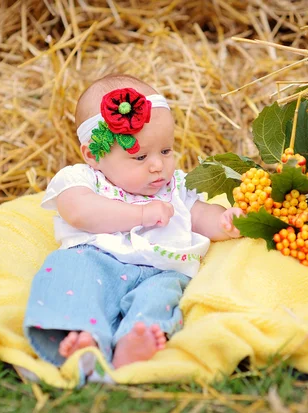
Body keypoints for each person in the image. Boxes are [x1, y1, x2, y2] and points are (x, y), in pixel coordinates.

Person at [23, 74, 243, 370]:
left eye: (166, 151)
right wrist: (139, 215)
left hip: (160, 269)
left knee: (160, 297)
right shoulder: (83, 180)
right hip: (97, 258)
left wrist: (227, 222)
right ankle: (82, 333)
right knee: (72, 275)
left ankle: (134, 341)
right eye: (139, 157)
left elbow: (201, 216)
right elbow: (78, 211)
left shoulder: (174, 188)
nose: (157, 165)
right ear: (93, 155)